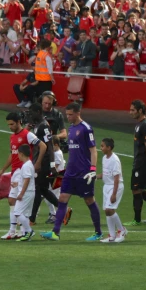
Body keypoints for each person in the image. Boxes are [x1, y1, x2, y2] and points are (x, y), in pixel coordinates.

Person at [41, 103, 102, 241]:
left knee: (89, 200)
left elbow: (93, 150)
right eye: (66, 114)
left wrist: (93, 169)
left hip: (83, 173)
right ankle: (55, 232)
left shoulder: (86, 129)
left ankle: (98, 232)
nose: (68, 117)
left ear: (78, 113)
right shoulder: (71, 128)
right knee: (62, 199)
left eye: (70, 114)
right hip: (70, 172)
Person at [0, 112, 42, 239]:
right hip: (15, 172)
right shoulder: (12, 137)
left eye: (12, 124)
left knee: (14, 201)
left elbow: (42, 145)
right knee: (12, 201)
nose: (10, 126)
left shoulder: (28, 135)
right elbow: (12, 155)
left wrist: (37, 163)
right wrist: (3, 169)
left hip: (23, 172)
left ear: (19, 122)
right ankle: (17, 231)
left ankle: (19, 231)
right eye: (8, 124)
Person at [27, 103, 59, 225]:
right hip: (38, 161)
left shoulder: (44, 126)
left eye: (32, 113)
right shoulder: (37, 125)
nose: (30, 115)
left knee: (38, 189)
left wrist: (51, 165)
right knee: (42, 190)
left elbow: (49, 146)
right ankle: (64, 209)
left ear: (39, 112)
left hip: (44, 162)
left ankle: (32, 218)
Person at [99, 138, 127, 243]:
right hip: (106, 186)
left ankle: (122, 230)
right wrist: (95, 176)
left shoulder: (114, 160)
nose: (101, 148)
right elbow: (106, 174)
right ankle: (112, 236)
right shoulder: (104, 158)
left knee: (109, 210)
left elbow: (116, 178)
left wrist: (114, 193)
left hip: (115, 186)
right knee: (107, 211)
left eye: (102, 146)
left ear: (109, 147)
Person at [12, 145, 36, 241]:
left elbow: (27, 180)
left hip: (26, 193)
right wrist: (18, 183)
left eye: (18, 153)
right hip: (30, 191)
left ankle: (29, 231)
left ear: (21, 154)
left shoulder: (26, 166)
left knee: (17, 212)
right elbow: (26, 179)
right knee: (25, 214)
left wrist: (21, 193)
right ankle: (27, 234)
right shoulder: (29, 164)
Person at [28, 38, 55, 107]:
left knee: (40, 96)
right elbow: (49, 68)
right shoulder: (46, 55)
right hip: (46, 79)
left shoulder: (39, 54)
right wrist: (52, 78)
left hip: (39, 78)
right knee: (47, 97)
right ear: (47, 47)